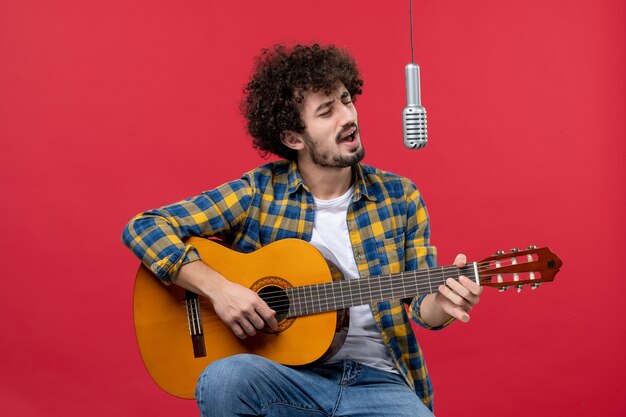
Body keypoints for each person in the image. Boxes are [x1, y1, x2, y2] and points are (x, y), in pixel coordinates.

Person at [122, 43, 482, 417]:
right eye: (327, 111)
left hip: (379, 382)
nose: (347, 116)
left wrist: (443, 304)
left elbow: (422, 310)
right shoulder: (257, 193)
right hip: (285, 377)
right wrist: (220, 290)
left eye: (346, 100)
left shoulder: (400, 196)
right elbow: (145, 227)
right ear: (294, 138)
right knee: (224, 378)